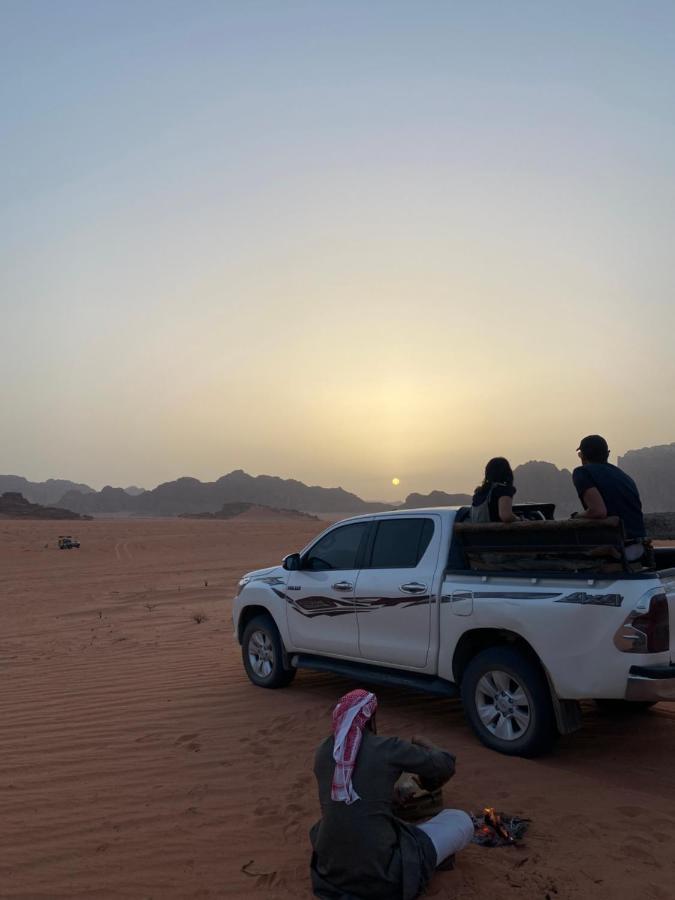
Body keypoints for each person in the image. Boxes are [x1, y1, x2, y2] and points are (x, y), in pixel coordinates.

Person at [309, 689, 474, 900]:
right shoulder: (387, 747)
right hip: (384, 878)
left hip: (331, 876)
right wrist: (422, 741)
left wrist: (390, 796)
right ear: (371, 718)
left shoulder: (322, 751)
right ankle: (432, 860)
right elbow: (446, 765)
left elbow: (352, 792)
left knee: (325, 826)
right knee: (460, 820)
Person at [572, 434, 646, 561]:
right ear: (608, 453)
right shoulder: (623, 476)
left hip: (618, 547)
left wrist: (576, 517)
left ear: (582, 456)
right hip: (638, 546)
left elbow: (598, 511)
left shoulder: (582, 472)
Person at [470, 457, 518, 523]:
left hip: (477, 532)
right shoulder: (503, 490)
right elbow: (506, 516)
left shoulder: (479, 492)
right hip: (495, 532)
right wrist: (519, 519)